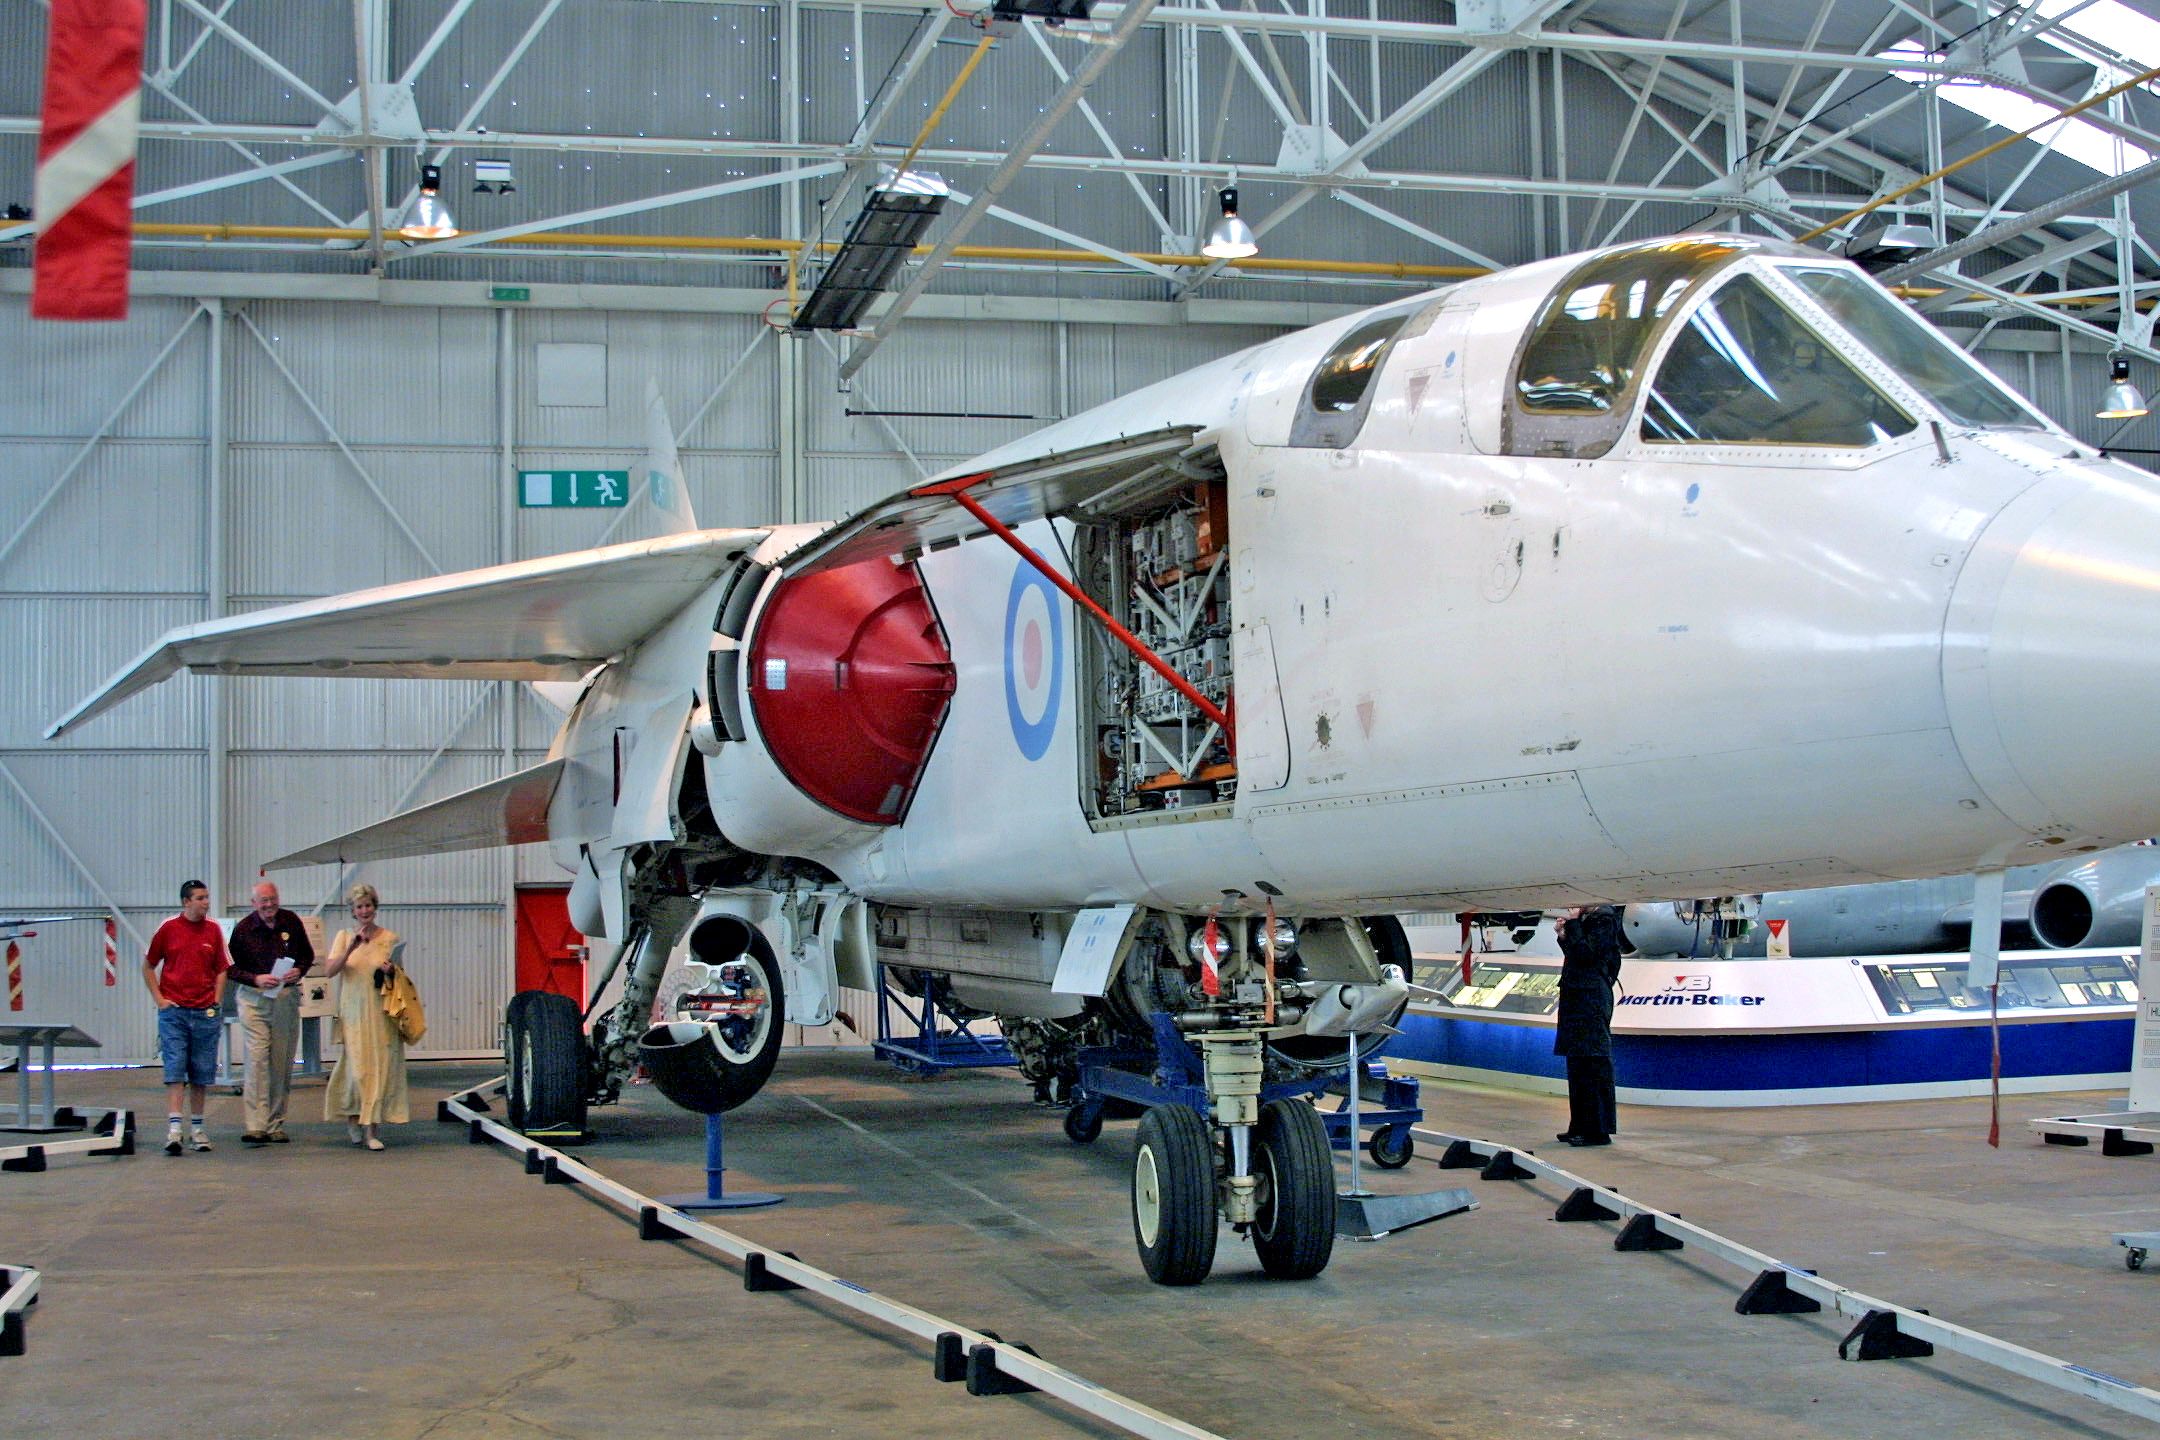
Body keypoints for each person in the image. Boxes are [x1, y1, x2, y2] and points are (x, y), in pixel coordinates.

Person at [143, 879, 230, 1156]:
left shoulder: (214, 931)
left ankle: (198, 1128)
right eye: (200, 898)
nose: (206, 902)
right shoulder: (168, 929)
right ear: (186, 902)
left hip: (205, 1012)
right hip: (175, 1013)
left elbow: (222, 968)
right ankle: (174, 1129)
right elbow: (148, 965)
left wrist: (216, 1000)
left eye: (207, 897)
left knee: (201, 1072)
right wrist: (160, 1000)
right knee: (175, 1070)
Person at [320, 883, 407, 1151]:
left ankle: (371, 1130)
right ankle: (352, 1117)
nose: (364, 910)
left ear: (375, 907)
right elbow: (330, 971)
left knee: (379, 1069)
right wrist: (350, 949)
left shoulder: (388, 937)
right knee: (357, 1070)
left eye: (368, 905)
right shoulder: (344, 937)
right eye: (359, 906)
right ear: (353, 911)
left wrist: (390, 970)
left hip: (380, 1011)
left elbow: (400, 977)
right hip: (354, 1012)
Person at [227, 880, 314, 1146]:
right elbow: (230, 968)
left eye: (272, 899)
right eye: (263, 901)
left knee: (281, 1061)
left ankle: (275, 1124)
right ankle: (255, 1126)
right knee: (256, 1060)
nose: (269, 905)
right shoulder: (243, 930)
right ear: (254, 904)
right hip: (254, 1000)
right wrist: (255, 979)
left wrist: (299, 970)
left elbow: (307, 956)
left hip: (285, 998)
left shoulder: (291, 921)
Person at [1553, 904, 1623, 1147]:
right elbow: (1575, 952)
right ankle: (1580, 1125)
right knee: (1578, 1062)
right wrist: (1564, 936)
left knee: (1592, 1061)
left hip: (1591, 997)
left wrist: (1573, 924)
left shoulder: (1603, 919)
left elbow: (1586, 954)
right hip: (1578, 996)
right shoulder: (1589, 919)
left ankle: (1597, 1129)